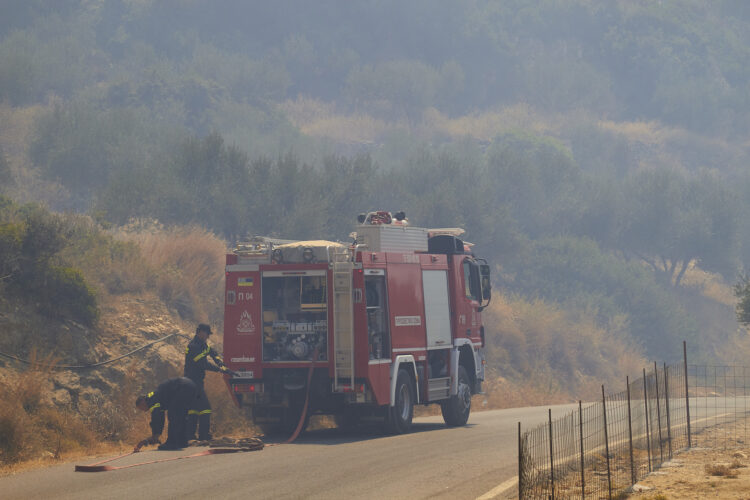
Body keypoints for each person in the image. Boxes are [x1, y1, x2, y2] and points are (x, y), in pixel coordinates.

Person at [184, 323, 234, 441]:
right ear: (200, 332)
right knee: (206, 408)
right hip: (192, 382)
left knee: (194, 409)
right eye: (207, 334)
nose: (208, 336)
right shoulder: (193, 346)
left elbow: (213, 353)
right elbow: (203, 364)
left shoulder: (202, 345)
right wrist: (220, 369)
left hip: (196, 382)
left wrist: (220, 363)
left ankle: (190, 435)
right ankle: (203, 436)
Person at [134, 376, 198, 451]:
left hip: (182, 387)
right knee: (181, 416)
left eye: (141, 408)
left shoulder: (151, 400)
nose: (143, 410)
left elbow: (157, 417)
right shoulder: (154, 396)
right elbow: (160, 417)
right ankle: (182, 441)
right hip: (191, 386)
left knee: (173, 415)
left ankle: (171, 443)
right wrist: (157, 434)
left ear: (142, 402)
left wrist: (155, 434)